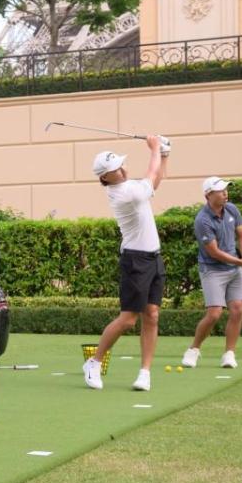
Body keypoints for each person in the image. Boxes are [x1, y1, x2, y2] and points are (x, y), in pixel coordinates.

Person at [82, 134, 171, 392]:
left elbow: (155, 180)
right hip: (135, 260)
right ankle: (94, 361)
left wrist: (164, 154)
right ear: (105, 177)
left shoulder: (132, 187)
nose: (122, 168)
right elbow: (152, 173)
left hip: (153, 256)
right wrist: (155, 149)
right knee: (129, 319)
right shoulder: (124, 194)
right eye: (115, 169)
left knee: (152, 315)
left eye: (120, 164)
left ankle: (144, 373)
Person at [182, 177, 242, 369]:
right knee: (214, 314)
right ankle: (194, 349)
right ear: (208, 194)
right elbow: (214, 253)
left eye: (226, 189)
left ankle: (229, 354)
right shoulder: (203, 220)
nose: (225, 193)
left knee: (237, 309)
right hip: (212, 270)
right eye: (220, 190)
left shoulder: (232, 209)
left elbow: (241, 235)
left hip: (234, 269)